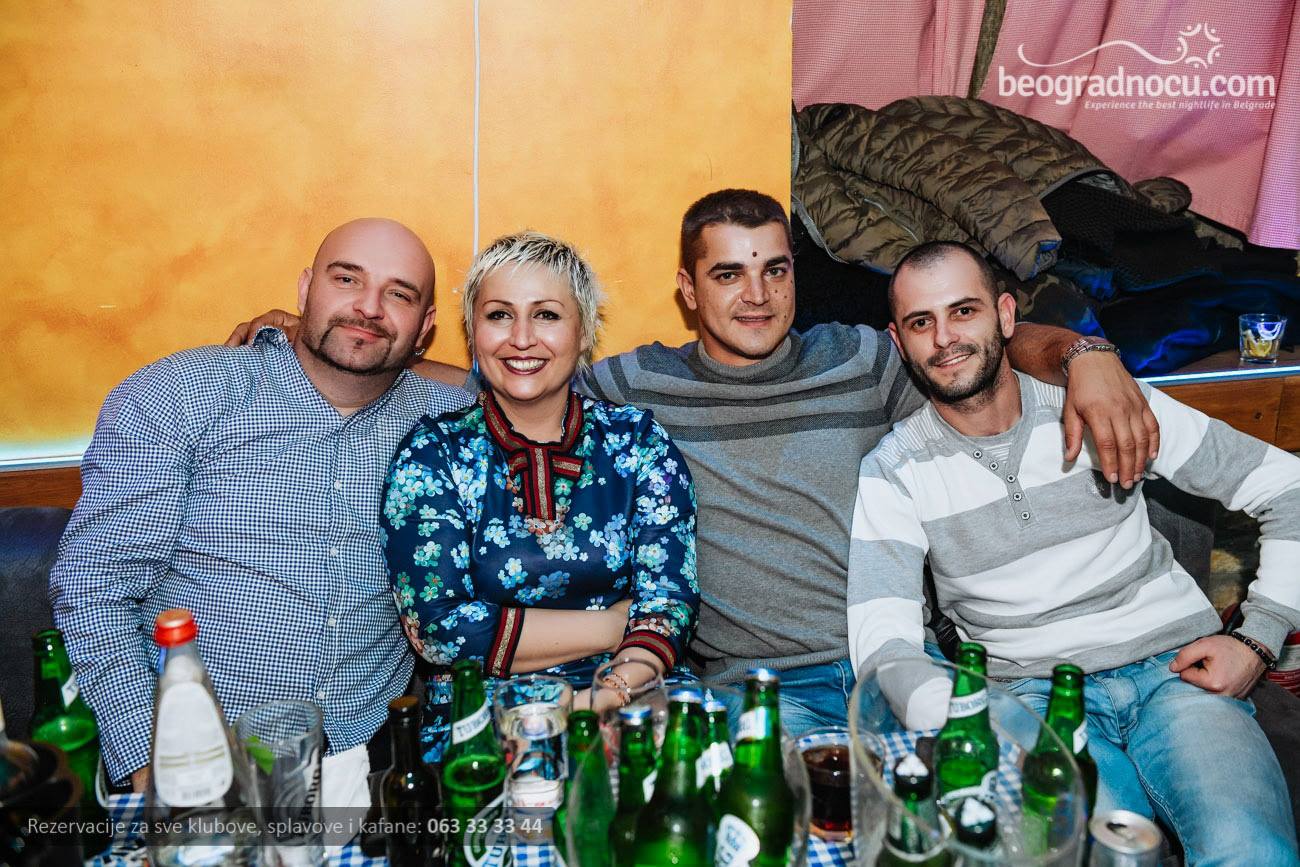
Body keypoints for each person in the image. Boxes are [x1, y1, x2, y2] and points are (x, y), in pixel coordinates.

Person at [228, 189, 1159, 733]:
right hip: (756, 686)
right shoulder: (636, 389)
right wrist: (332, 343)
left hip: (896, 655)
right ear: (686, 288)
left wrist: (1086, 351)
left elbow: (967, 344)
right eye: (726, 273)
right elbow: (517, 374)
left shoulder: (861, 359)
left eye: (774, 269)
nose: (755, 295)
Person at [848, 241, 1298, 863]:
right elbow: (884, 644)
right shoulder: (894, 471)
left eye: (964, 311)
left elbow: (1288, 487)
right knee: (1087, 857)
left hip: (1176, 672)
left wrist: (1258, 637)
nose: (945, 338)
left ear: (1006, 315)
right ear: (900, 343)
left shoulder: (1104, 406)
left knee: (1251, 850)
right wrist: (971, 719)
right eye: (922, 322)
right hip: (1032, 702)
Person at [50, 218, 472, 791]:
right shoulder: (182, 393)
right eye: (347, 280)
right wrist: (156, 765)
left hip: (373, 755)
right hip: (205, 754)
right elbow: (94, 584)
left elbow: (532, 389)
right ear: (305, 290)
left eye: (398, 295)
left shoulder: (446, 425)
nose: (369, 307)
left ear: (424, 327)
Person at [381, 231, 699, 761]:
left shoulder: (639, 442)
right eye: (500, 315)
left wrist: (607, 693)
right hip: (482, 722)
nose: (522, 338)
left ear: (584, 332)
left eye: (547, 315)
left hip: (634, 696)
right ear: (473, 333)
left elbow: (669, 602)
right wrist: (611, 624)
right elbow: (440, 630)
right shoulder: (433, 453)